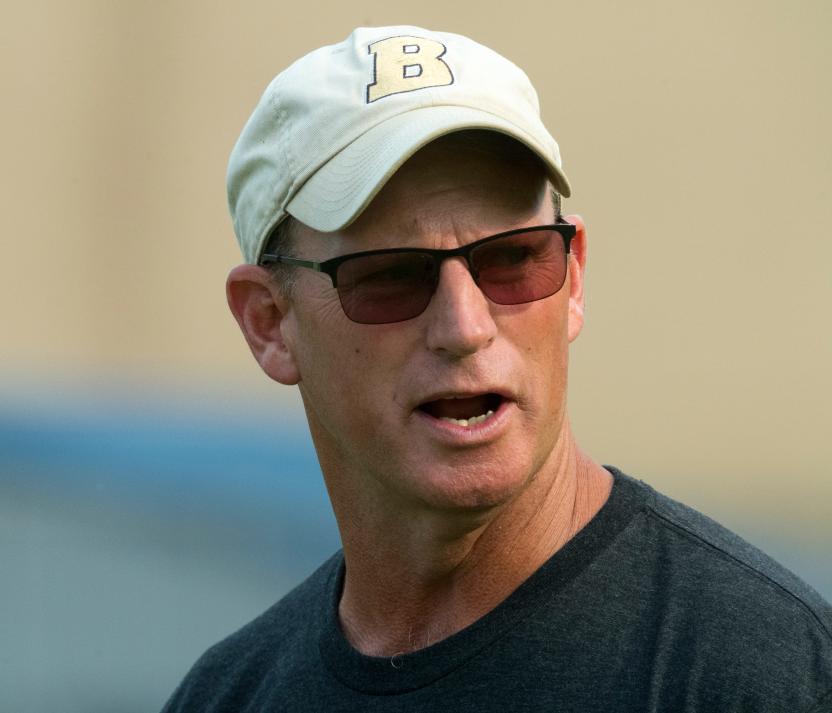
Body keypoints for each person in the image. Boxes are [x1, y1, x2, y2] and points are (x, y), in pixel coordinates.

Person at [162, 25, 832, 712]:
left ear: (572, 280)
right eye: (391, 276)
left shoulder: (762, 670)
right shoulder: (230, 695)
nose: (466, 326)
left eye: (514, 259)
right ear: (270, 324)